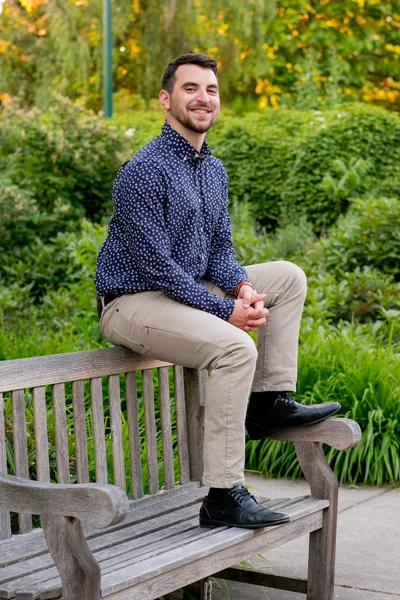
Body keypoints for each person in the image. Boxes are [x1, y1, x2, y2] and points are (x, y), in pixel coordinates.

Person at [95, 52, 340, 529]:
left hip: (183, 288)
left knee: (287, 277)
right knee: (234, 347)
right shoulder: (143, 169)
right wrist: (226, 310)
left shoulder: (213, 169)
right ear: (166, 100)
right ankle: (223, 495)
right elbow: (156, 266)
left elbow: (220, 251)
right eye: (190, 88)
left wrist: (243, 286)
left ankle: (268, 403)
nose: (202, 98)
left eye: (210, 89)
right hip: (132, 301)